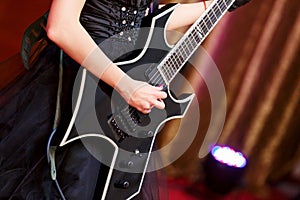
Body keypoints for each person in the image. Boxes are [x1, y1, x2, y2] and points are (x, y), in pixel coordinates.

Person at [0, 0, 251, 199]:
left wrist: (217, 5)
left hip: (120, 85)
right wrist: (125, 85)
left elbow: (146, 16)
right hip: (78, 78)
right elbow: (60, 26)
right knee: (66, 181)